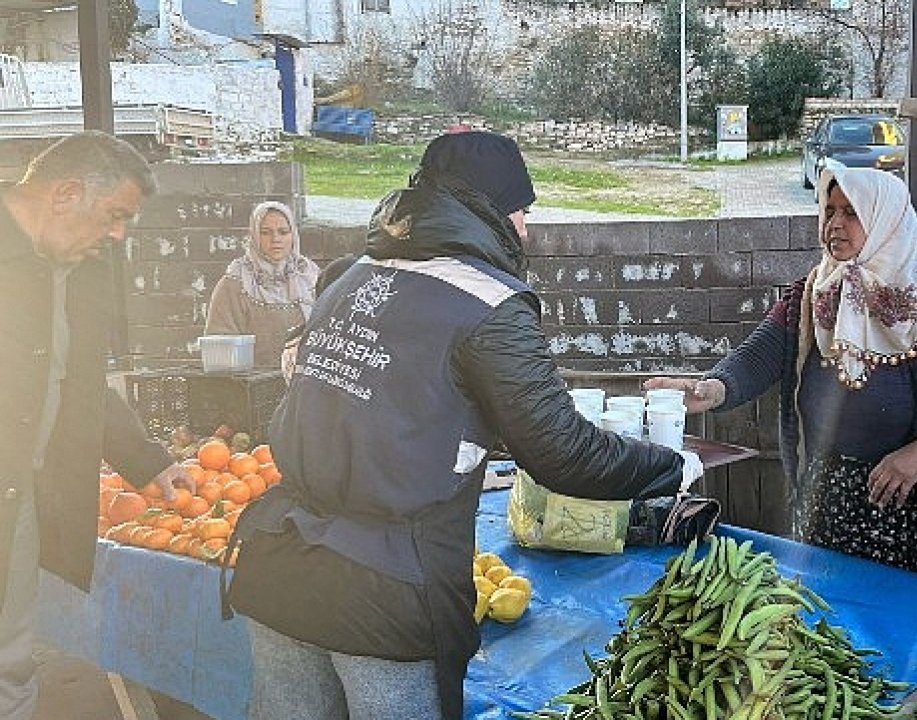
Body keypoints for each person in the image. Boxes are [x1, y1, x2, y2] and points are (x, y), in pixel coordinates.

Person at [225, 130, 704, 720]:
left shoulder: (352, 276)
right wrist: (671, 465)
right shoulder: (488, 301)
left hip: (278, 564)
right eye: (521, 209)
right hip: (385, 591)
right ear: (490, 209)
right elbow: (564, 454)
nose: (526, 228)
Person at [646, 166, 917, 588]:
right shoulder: (814, 292)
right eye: (829, 211)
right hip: (833, 503)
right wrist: (713, 388)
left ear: (885, 218)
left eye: (851, 212)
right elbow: (760, 355)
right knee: (833, 628)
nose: (835, 224)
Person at [0, 131, 195, 718]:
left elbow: (81, 382)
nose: (118, 234)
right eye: (115, 216)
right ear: (65, 195)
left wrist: (148, 458)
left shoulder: (83, 268)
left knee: (12, 660)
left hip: (21, 500)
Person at [205, 200, 320, 367]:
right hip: (253, 385)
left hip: (305, 382)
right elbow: (219, 346)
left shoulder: (310, 276)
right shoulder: (236, 283)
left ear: (293, 235)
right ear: (254, 236)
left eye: (283, 232)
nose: (276, 239)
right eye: (266, 232)